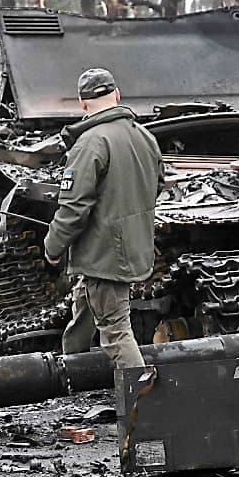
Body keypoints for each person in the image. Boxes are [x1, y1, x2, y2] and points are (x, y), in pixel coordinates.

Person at [44, 66, 162, 373]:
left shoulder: (90, 143)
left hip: (105, 252)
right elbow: (156, 186)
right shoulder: (146, 137)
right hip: (134, 246)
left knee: (115, 331)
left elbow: (72, 208)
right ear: (117, 96)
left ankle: (145, 401)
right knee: (84, 306)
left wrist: (53, 247)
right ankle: (75, 372)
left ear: (83, 104)